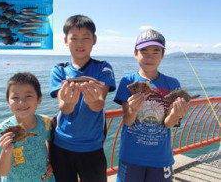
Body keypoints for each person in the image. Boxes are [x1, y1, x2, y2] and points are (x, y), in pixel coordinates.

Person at [114, 29, 189, 182]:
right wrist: (132, 110)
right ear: (135, 53)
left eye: (156, 51)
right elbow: (128, 121)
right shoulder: (127, 81)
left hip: (161, 158)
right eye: (144, 51)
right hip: (131, 156)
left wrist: (176, 114)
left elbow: (168, 124)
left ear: (162, 55)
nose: (149, 56)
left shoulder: (172, 83)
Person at [49, 14, 116, 182]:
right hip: (61, 145)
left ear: (94, 39)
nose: (80, 43)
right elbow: (64, 108)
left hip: (92, 147)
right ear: (65, 40)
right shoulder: (59, 70)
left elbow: (98, 104)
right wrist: (68, 103)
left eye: (86, 38)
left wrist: (92, 99)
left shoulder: (104, 67)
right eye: (74, 38)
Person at [0, 72, 54, 181]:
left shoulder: (46, 123)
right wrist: (6, 151)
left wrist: (52, 162)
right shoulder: (2, 130)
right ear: (8, 102)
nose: (21, 102)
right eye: (15, 97)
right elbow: (2, 172)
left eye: (28, 96)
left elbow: (51, 142)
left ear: (39, 99)